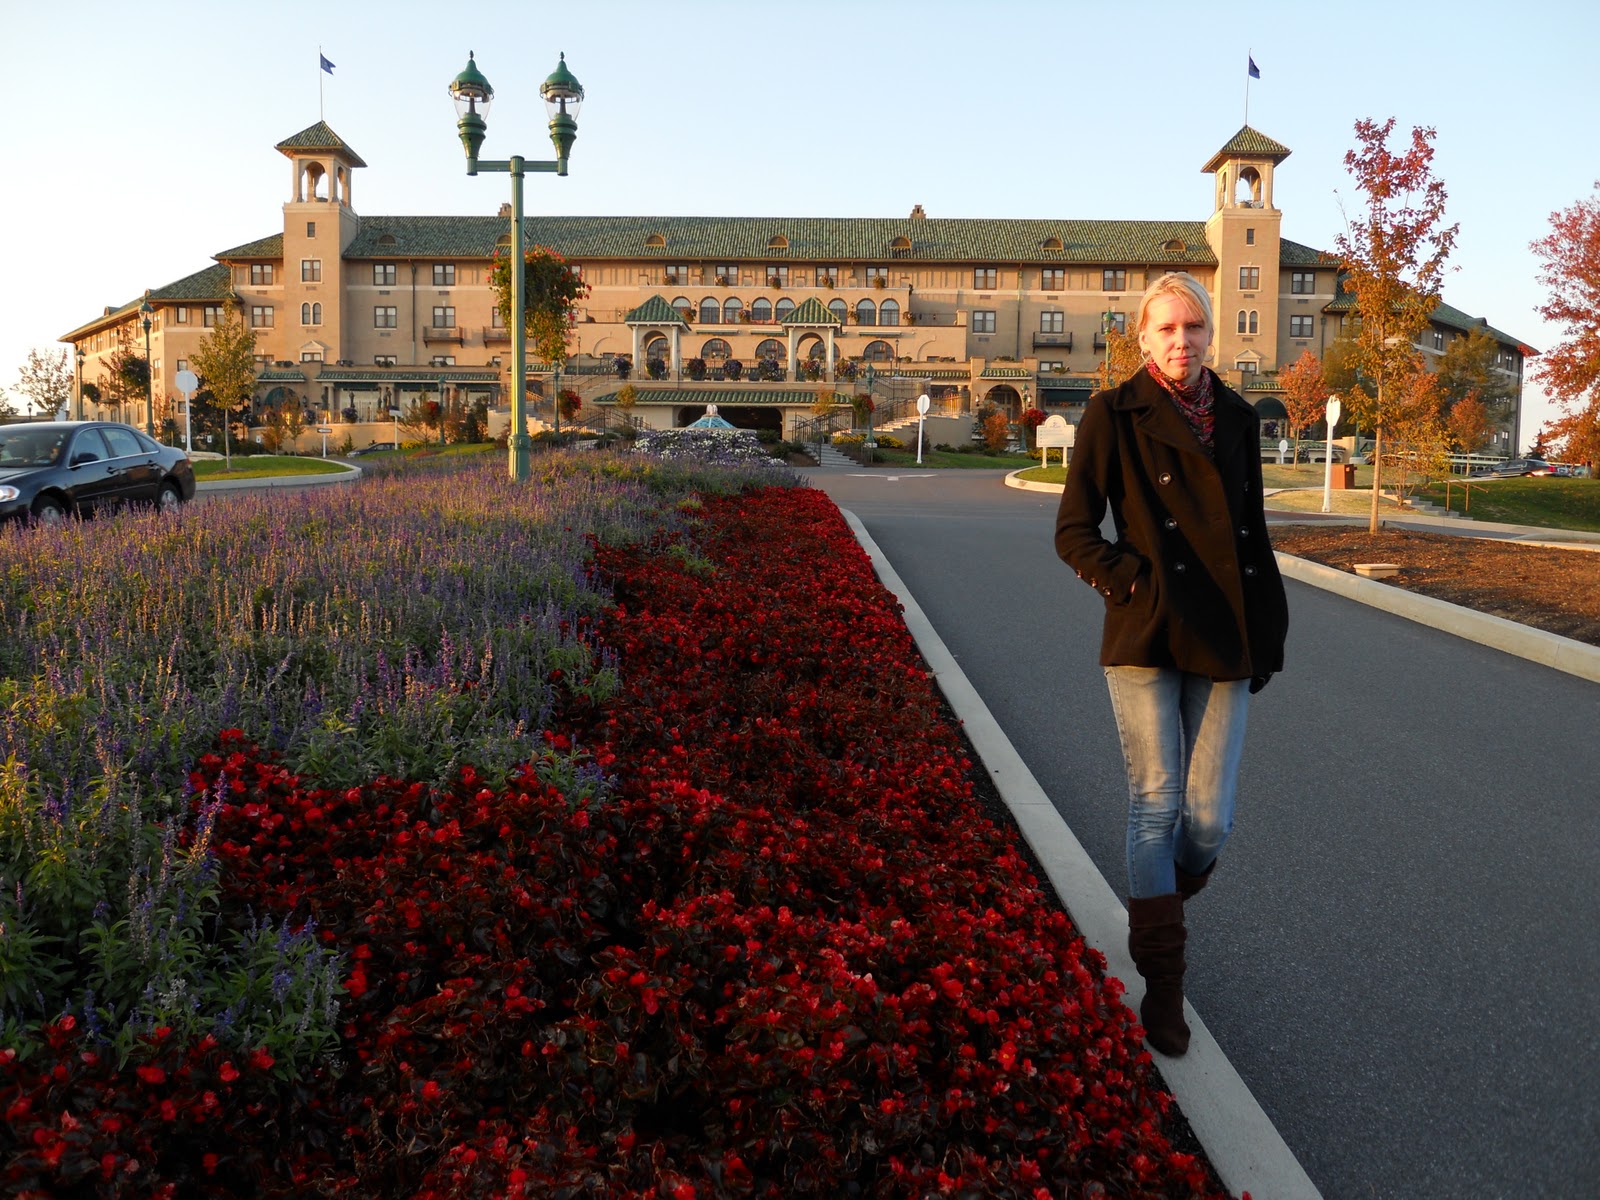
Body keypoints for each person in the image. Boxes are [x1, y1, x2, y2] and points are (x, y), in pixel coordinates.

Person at [1054, 272, 1288, 1057]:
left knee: (1209, 819)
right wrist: (1135, 583)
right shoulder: (1111, 412)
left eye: (1193, 327)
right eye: (1165, 329)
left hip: (1225, 632)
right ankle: (1165, 978)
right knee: (1154, 805)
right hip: (1148, 632)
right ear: (1142, 338)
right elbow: (1074, 530)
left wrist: (1269, 626)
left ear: (1210, 333)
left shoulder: (1236, 416)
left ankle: (1161, 908)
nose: (1180, 341)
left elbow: (1249, 532)